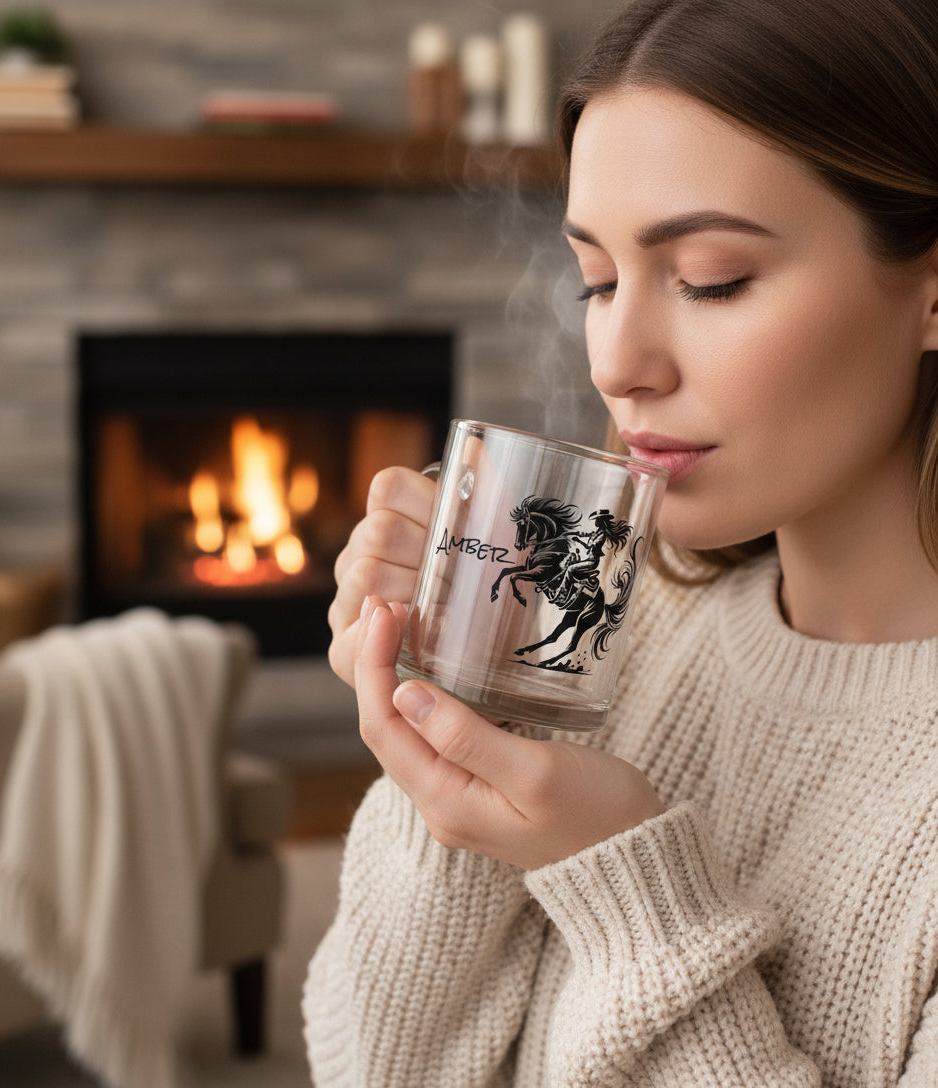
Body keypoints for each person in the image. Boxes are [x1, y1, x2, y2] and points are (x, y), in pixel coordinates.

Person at [303, 0, 938, 1082]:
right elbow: (375, 1063)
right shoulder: (607, 650)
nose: (619, 359)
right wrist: (458, 731)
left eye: (710, 278)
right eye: (597, 280)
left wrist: (621, 872)